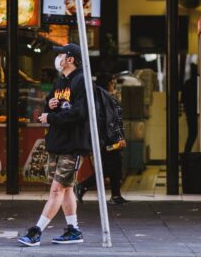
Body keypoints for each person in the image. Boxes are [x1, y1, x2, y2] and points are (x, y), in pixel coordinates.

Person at [18, 43, 91, 247]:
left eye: (61, 55)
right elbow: (53, 102)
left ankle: (36, 231)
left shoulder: (81, 80)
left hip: (74, 144)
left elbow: (80, 113)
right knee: (66, 189)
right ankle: (73, 230)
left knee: (56, 189)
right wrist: (49, 105)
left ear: (71, 59)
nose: (57, 58)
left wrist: (51, 117)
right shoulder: (61, 81)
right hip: (58, 142)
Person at [75, 72, 129, 205]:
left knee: (116, 165)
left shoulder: (97, 96)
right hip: (110, 140)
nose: (113, 85)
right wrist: (120, 138)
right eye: (112, 83)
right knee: (108, 167)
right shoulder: (107, 98)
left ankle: (116, 196)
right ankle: (82, 186)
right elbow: (113, 120)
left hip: (103, 139)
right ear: (109, 83)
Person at [182, 63, 198, 154]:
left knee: (191, 133)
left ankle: (186, 153)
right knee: (193, 133)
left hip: (189, 112)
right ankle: (187, 153)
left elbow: (182, 100)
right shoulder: (198, 83)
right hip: (196, 112)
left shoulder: (187, 83)